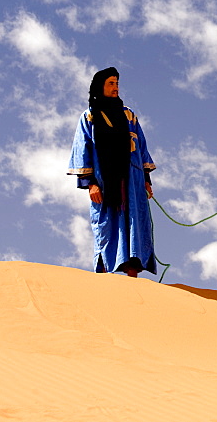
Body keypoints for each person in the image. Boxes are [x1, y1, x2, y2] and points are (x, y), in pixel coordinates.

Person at [67, 66, 157, 277]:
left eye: (117, 83)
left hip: (132, 182)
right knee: (108, 226)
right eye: (111, 83)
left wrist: (146, 180)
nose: (115, 87)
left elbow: (141, 147)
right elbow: (83, 150)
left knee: (135, 223)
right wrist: (90, 183)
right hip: (105, 184)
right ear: (101, 86)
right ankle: (107, 276)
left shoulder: (129, 116)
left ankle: (133, 273)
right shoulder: (89, 117)